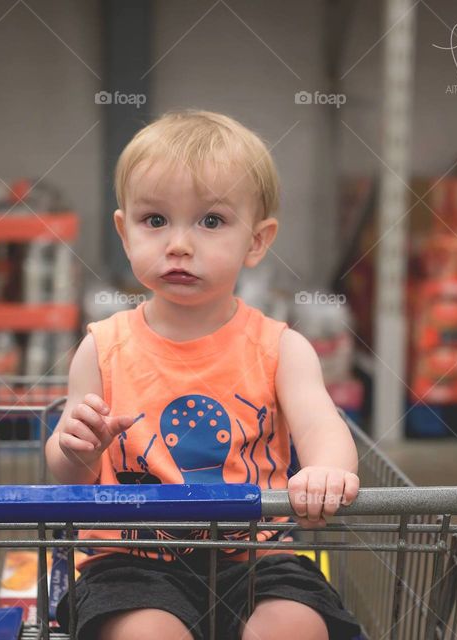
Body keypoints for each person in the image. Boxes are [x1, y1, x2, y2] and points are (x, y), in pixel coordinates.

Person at [45, 109, 362, 640]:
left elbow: (321, 425)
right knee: (146, 633)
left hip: (258, 561)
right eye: (155, 220)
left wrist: (327, 469)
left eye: (211, 221)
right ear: (125, 232)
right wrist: (77, 449)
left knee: (296, 624)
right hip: (130, 565)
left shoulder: (281, 348)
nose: (179, 244)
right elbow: (70, 476)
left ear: (257, 241)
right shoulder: (101, 347)